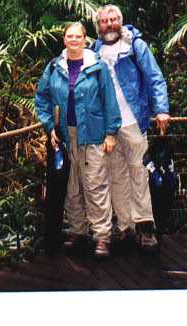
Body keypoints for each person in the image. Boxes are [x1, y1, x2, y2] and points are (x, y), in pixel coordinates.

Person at [34, 21, 121, 257]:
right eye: (69, 36)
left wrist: (111, 132)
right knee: (71, 187)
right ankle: (78, 231)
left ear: (85, 39)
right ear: (64, 40)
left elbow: (110, 100)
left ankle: (102, 237)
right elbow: (41, 99)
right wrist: (50, 126)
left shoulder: (97, 67)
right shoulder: (54, 67)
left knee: (95, 185)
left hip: (92, 133)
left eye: (77, 36)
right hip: (65, 135)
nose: (73, 40)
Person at [92, 4, 171, 250]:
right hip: (108, 127)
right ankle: (125, 226)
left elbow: (154, 76)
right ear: (98, 26)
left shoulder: (135, 46)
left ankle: (145, 226)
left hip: (134, 120)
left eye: (113, 19)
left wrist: (162, 109)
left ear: (121, 21)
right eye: (104, 21)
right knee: (116, 175)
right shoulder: (94, 51)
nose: (109, 24)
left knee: (139, 172)